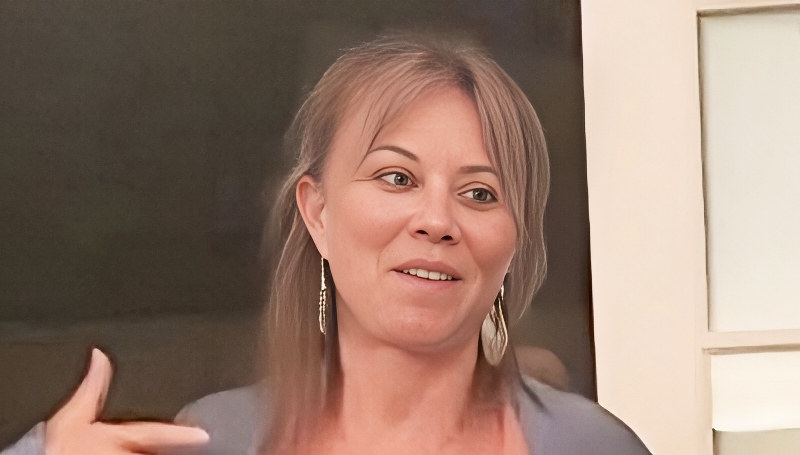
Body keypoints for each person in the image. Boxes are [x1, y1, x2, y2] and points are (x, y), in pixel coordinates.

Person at [2, 36, 651, 455]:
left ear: (512, 240)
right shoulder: (212, 440)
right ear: (317, 212)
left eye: (480, 193)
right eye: (397, 178)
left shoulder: (591, 446)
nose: (437, 220)